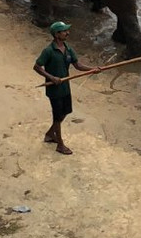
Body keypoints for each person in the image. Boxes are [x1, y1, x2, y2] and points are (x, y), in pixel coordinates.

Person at [33, 21, 101, 154]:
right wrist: (51, 77)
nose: (67, 33)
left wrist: (92, 69)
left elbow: (77, 65)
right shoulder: (48, 51)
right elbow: (36, 67)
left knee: (65, 112)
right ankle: (60, 144)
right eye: (64, 31)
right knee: (57, 117)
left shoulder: (68, 48)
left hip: (65, 87)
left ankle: (49, 134)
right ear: (57, 34)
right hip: (54, 90)